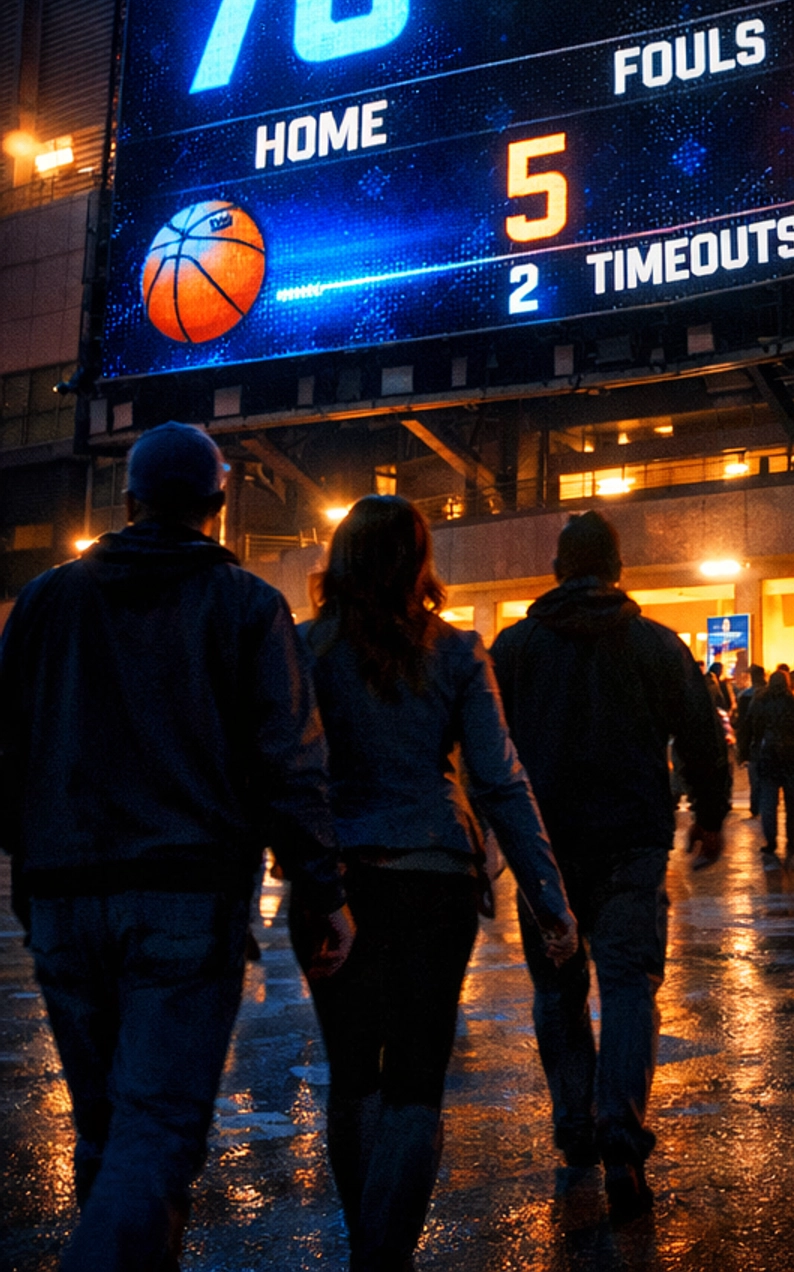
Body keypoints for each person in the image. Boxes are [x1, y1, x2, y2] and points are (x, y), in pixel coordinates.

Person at [0, 422, 352, 1270]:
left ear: (126, 504)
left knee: (111, 1131)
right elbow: (288, 757)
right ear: (219, 508)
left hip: (63, 895)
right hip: (187, 896)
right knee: (156, 1129)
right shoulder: (244, 606)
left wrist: (26, 862)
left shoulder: (48, 600)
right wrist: (319, 885)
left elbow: (7, 743)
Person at [299, 495, 577, 1266]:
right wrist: (550, 901)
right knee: (418, 1079)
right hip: (435, 879)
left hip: (338, 880)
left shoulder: (302, 649)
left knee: (353, 1074)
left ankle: (367, 1245)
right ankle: (386, 1256)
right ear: (420, 563)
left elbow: (278, 769)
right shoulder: (457, 653)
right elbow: (500, 782)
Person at [490, 512, 730, 1221]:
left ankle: (574, 1128)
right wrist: (710, 815)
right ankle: (622, 1136)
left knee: (558, 987)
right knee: (629, 986)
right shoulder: (655, 644)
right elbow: (700, 732)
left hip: (547, 850)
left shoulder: (516, 648)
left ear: (559, 568)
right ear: (618, 569)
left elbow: (484, 743)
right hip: (632, 840)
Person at [738, 668, 794, 865]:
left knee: (768, 802)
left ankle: (770, 841)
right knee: (792, 802)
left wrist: (744, 753)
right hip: (790, 755)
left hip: (766, 754)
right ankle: (792, 839)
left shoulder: (759, 701)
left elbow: (748, 728)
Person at [735, 663, 768, 818]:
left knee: (754, 777)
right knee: (767, 778)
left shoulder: (746, 696)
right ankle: (765, 805)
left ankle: (756, 806)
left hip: (753, 740)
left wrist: (742, 748)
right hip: (768, 739)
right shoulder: (771, 694)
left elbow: (743, 724)